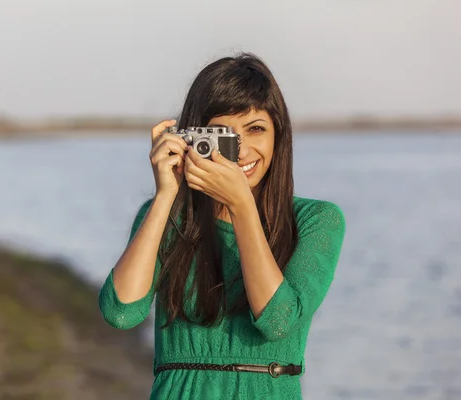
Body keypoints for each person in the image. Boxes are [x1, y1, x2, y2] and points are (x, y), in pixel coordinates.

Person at [98, 52, 346, 399]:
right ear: (192, 137)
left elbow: (278, 321)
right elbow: (121, 312)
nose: (240, 150)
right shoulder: (167, 215)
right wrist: (166, 195)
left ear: (279, 136)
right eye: (221, 134)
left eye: (255, 129)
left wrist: (242, 206)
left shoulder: (316, 220)